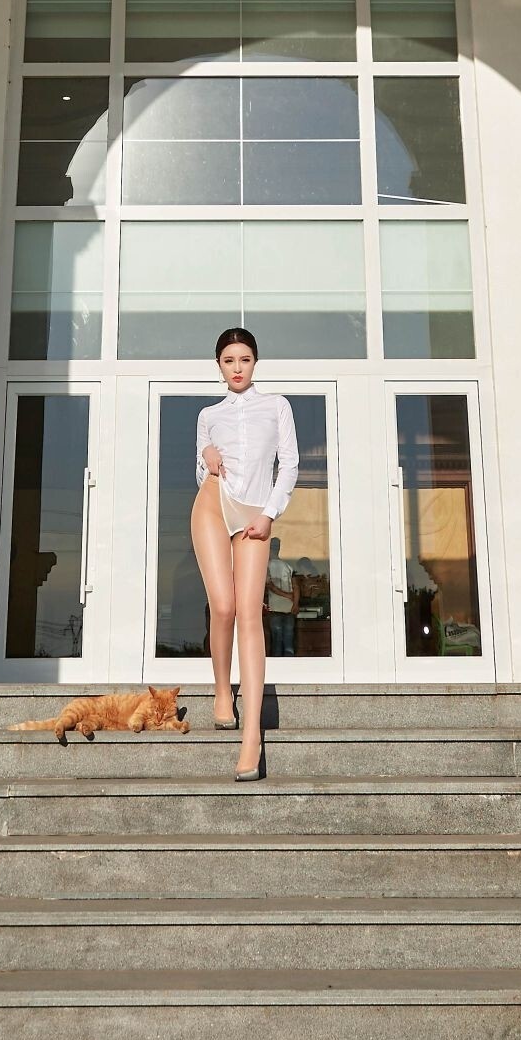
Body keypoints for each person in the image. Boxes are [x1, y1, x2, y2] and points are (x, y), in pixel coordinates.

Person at [191, 327, 299, 781]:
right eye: (229, 360)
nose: (237, 367)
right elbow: (201, 472)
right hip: (213, 505)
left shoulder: (276, 406)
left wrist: (271, 514)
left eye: (245, 359)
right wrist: (207, 455)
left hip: (254, 514)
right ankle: (221, 689)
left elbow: (289, 465)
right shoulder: (208, 415)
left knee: (251, 614)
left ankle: (251, 738)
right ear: (218, 366)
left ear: (255, 363)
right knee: (224, 606)